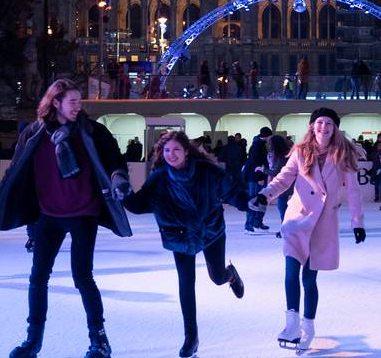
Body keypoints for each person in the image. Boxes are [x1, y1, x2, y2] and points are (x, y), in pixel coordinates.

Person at [0, 78, 135, 358]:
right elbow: (15, 168)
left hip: (83, 213)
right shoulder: (33, 132)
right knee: (38, 277)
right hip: (47, 215)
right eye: (73, 102)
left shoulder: (92, 131)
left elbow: (116, 159)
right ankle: (33, 340)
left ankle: (99, 341)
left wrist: (118, 178)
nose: (79, 106)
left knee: (83, 277)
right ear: (56, 103)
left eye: (80, 101)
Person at [126, 131, 247, 358]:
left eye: (176, 150)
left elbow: (230, 191)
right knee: (186, 283)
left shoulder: (206, 171)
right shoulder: (160, 178)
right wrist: (121, 192)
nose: (171, 155)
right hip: (180, 235)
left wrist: (246, 201)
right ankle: (191, 337)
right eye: (167, 150)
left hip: (210, 231)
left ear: (186, 151)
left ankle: (230, 275)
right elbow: (141, 203)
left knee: (217, 277)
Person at [256, 108, 366, 352]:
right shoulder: (300, 151)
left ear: (335, 128)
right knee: (290, 271)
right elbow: (284, 178)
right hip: (297, 218)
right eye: (319, 122)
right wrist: (266, 194)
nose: (323, 127)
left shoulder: (343, 154)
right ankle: (291, 324)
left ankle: (308, 327)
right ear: (312, 126)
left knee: (309, 278)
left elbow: (353, 191)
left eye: (328, 123)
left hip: (324, 223)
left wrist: (357, 222)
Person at [243, 129, 273, 235]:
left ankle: (257, 223)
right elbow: (255, 164)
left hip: (258, 177)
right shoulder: (257, 146)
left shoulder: (260, 144)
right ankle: (249, 224)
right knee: (253, 201)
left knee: (260, 200)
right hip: (255, 178)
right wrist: (259, 178)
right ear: (267, 136)